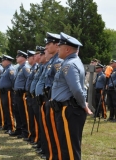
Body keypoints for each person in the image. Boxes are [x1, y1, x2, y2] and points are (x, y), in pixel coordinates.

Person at [51, 32, 92, 160]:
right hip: (67, 109)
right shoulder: (70, 62)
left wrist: (83, 105)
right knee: (67, 146)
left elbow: (77, 89)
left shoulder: (70, 64)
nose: (58, 49)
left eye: (60, 47)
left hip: (69, 110)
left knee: (69, 148)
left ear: (67, 49)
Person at [43, 32, 63, 160]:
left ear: (56, 45)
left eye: (49, 44)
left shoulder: (58, 62)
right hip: (48, 97)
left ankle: (56, 156)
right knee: (50, 129)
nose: (47, 46)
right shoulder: (53, 61)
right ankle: (52, 155)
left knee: (55, 131)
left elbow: (61, 82)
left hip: (53, 98)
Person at [10, 50, 30, 139]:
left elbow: (29, 79)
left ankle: (25, 131)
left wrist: (25, 90)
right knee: (17, 112)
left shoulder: (25, 68)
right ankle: (19, 130)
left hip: (21, 93)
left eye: (18, 56)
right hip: (16, 93)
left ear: (23, 57)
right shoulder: (19, 68)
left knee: (23, 113)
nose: (16, 58)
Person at [25, 50, 40, 144]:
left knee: (36, 119)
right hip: (31, 96)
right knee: (31, 118)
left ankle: (36, 138)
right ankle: (33, 136)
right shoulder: (34, 68)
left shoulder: (37, 68)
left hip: (36, 97)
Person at [0, 55, 15, 135]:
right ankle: (7, 125)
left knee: (9, 109)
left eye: (3, 61)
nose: (2, 62)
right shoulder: (5, 69)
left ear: (7, 61)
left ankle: (11, 127)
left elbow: (13, 81)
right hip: (3, 92)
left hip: (8, 92)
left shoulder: (10, 69)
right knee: (5, 109)